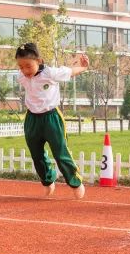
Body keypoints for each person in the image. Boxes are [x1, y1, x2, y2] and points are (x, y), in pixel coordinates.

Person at [14, 42, 89, 198]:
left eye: (28, 66)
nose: (24, 70)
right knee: (37, 154)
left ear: (39, 61)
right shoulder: (22, 77)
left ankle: (75, 182)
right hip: (32, 119)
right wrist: (24, 71)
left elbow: (69, 72)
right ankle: (48, 181)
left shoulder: (50, 73)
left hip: (51, 118)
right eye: (21, 67)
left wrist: (83, 67)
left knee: (60, 152)